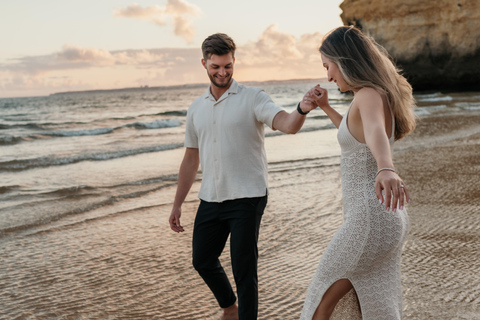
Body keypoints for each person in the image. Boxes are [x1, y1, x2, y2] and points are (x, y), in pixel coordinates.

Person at [169, 33, 316, 320]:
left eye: (227, 66)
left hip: (248, 195)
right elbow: (190, 158)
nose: (222, 73)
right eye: (215, 67)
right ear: (204, 64)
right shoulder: (196, 108)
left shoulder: (253, 98)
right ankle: (230, 307)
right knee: (202, 260)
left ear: (234, 62)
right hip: (211, 196)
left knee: (243, 269)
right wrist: (177, 204)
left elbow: (287, 124)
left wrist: (301, 109)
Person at [299, 26, 416, 320]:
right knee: (373, 305)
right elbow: (359, 136)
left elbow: (375, 130)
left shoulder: (366, 94)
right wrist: (326, 107)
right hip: (387, 218)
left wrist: (386, 168)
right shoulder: (375, 95)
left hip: (369, 218)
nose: (328, 76)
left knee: (320, 301)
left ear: (345, 60)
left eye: (328, 66)